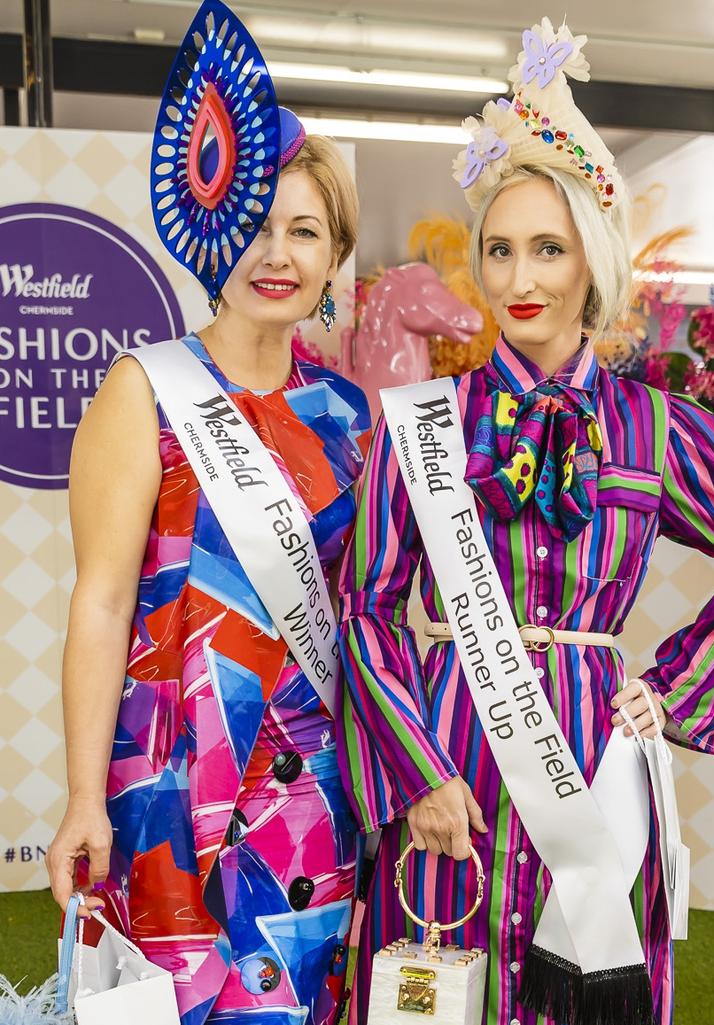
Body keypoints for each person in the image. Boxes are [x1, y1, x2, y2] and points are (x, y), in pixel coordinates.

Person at [338, 16, 714, 1025]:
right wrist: (414, 772)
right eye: (499, 250)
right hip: (449, 757)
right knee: (434, 986)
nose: (519, 280)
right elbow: (361, 608)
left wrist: (670, 686)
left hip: (594, 759)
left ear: (592, 259)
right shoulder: (425, 430)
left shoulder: (659, 432)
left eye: (548, 248)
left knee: (580, 992)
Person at [45, 2, 370, 1022]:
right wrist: (83, 794)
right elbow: (99, 604)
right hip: (173, 778)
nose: (277, 251)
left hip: (315, 780)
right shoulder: (143, 389)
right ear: (211, 228)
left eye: (305, 230)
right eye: (256, 222)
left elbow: (363, 605)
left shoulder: (350, 415)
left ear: (332, 259)